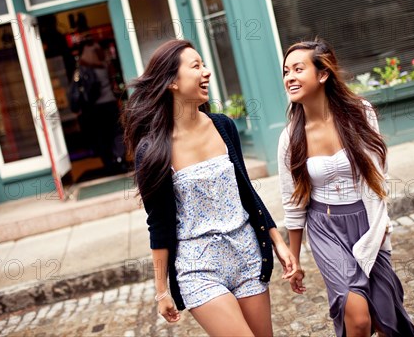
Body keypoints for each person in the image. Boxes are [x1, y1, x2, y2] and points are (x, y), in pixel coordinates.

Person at [123, 39, 296, 336]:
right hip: (198, 267)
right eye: (196, 66)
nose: (207, 72)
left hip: (247, 254)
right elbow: (159, 224)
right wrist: (162, 289)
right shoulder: (153, 150)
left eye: (204, 64)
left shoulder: (223, 126)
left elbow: (246, 192)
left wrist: (278, 241)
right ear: (172, 82)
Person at [277, 38, 414, 337]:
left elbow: (378, 179)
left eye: (298, 69)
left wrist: (380, 228)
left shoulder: (360, 113)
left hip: (367, 221)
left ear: (323, 74)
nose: (289, 77)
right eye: (286, 71)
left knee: (387, 320)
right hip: (325, 227)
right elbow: (293, 203)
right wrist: (295, 260)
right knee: (357, 317)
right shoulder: (290, 139)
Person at [78, 36, 127, 175]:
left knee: (101, 136)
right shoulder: (105, 65)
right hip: (110, 103)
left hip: (95, 108)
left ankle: (109, 163)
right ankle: (119, 158)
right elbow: (115, 83)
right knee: (116, 133)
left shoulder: (84, 67)